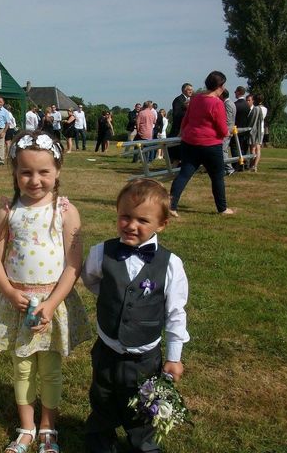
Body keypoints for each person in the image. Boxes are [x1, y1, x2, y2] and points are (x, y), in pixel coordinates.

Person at [0, 131, 91, 453]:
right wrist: (7, 291)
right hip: (17, 303)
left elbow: (74, 265)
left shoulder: (65, 211)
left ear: (57, 171)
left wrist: (51, 304)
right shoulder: (8, 212)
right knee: (21, 367)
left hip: (52, 304)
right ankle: (26, 426)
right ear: (15, 173)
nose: (34, 180)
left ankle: (48, 426)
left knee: (49, 368)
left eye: (43, 172)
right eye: (26, 172)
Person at [81, 178, 189, 453]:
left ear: (162, 224)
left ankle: (144, 443)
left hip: (145, 358)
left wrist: (174, 358)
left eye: (143, 220)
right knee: (102, 396)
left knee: (142, 404)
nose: (131, 225)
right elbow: (91, 280)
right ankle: (100, 436)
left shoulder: (171, 265)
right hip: (107, 349)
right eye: (125, 217)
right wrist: (111, 297)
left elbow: (176, 312)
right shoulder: (100, 252)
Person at [169, 71, 234, 216]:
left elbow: (186, 120)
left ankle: (171, 205)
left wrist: (183, 133)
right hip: (211, 145)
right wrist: (226, 133)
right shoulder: (217, 103)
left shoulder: (195, 99)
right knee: (217, 176)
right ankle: (222, 208)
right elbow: (222, 127)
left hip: (190, 142)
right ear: (220, 86)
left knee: (184, 174)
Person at [169, 83, 193, 164]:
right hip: (178, 129)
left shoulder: (191, 99)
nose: (191, 91)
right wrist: (187, 111)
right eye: (189, 90)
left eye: (191, 90)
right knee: (177, 151)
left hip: (187, 129)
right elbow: (176, 114)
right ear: (184, 90)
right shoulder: (178, 100)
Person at [220, 89, 236, 176]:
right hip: (229, 129)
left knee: (223, 150)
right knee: (224, 150)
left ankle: (229, 168)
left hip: (227, 130)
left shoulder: (227, 104)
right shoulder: (231, 103)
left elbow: (228, 119)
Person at [247, 94, 265, 172]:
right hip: (261, 129)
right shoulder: (265, 109)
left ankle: (252, 165)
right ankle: (255, 165)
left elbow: (252, 120)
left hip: (255, 130)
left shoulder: (256, 109)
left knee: (253, 148)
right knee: (258, 148)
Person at [0, 97, 12, 165]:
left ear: (3, 103)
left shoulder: (5, 112)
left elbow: (7, 123)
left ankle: (1, 159)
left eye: (0, 102)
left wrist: (4, 132)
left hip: (1, 129)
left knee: (0, 144)